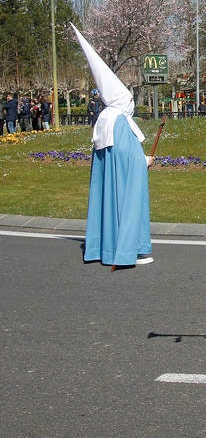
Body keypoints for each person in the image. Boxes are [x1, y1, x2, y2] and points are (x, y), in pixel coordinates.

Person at [72, 24, 154, 268]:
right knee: (126, 203)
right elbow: (127, 155)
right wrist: (145, 160)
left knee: (107, 200)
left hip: (111, 175)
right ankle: (124, 251)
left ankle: (105, 246)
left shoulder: (105, 118)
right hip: (124, 177)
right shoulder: (118, 119)